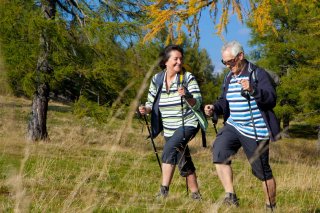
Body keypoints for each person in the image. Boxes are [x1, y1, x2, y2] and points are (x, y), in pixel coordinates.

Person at [204, 41, 279, 210]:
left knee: (262, 171)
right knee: (219, 151)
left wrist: (253, 90)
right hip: (233, 125)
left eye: (230, 61)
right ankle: (230, 196)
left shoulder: (257, 74)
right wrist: (214, 107)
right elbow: (225, 101)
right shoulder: (229, 77)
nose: (228, 65)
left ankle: (270, 206)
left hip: (255, 129)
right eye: (224, 62)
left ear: (240, 56)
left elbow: (271, 99)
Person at [139, 44, 204, 200]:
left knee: (169, 149)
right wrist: (144, 109)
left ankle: (163, 191)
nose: (179, 62)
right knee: (183, 159)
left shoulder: (187, 78)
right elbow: (150, 102)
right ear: (166, 61)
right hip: (168, 128)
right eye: (176, 59)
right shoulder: (157, 79)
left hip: (188, 123)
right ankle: (195, 195)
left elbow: (199, 102)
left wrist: (187, 96)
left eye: (181, 59)